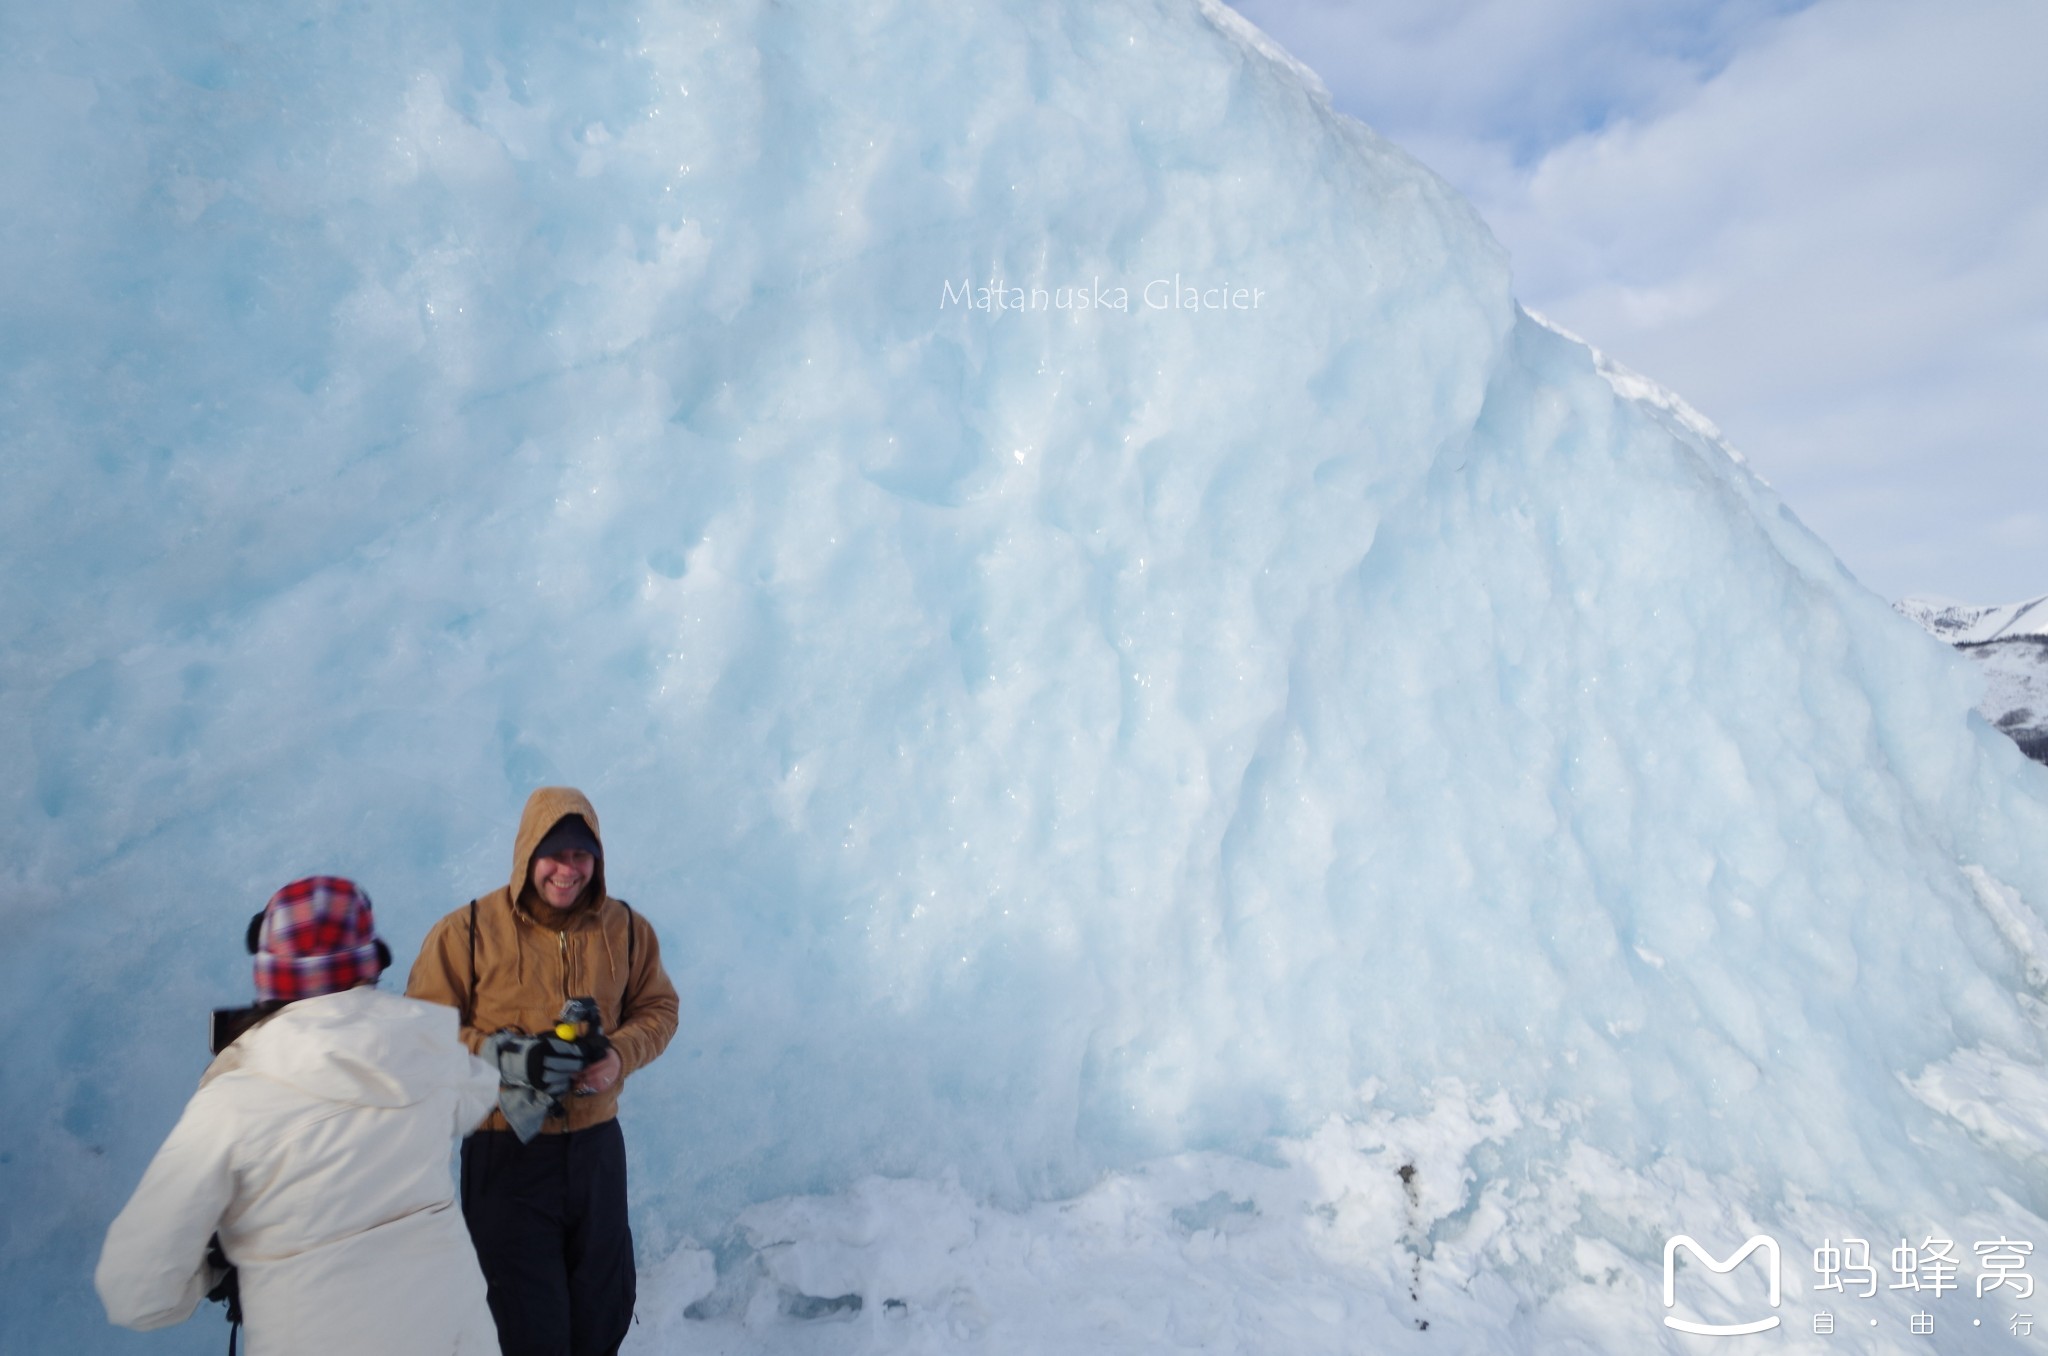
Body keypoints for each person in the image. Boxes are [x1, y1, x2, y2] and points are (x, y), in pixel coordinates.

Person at [96, 876, 502, 1354]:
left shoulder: (232, 1101)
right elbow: (480, 1094)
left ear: (269, 970)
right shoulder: (432, 1055)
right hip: (456, 1337)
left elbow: (137, 1293)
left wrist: (217, 1266)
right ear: (368, 961)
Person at [407, 786, 679, 1356]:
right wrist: (504, 1056)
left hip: (596, 1150)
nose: (568, 869)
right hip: (507, 1154)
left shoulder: (626, 928)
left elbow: (658, 1009)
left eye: (582, 856)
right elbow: (419, 1032)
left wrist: (618, 1054)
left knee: (602, 1310)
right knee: (526, 1327)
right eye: (554, 854)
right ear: (528, 853)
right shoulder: (469, 932)